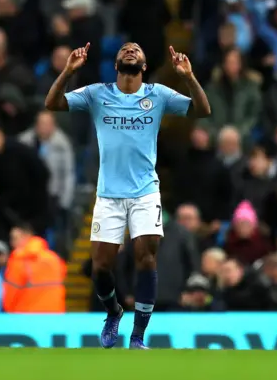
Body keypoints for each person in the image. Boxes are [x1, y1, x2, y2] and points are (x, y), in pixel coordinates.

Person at [45, 42, 210, 349]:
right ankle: (113, 312)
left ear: (144, 66)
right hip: (108, 195)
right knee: (101, 266)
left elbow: (203, 110)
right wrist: (68, 71)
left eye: (136, 49)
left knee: (146, 256)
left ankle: (137, 335)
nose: (131, 50)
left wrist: (188, 76)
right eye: (125, 49)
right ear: (117, 64)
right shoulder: (97, 93)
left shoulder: (158, 94)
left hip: (146, 192)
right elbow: (53, 103)